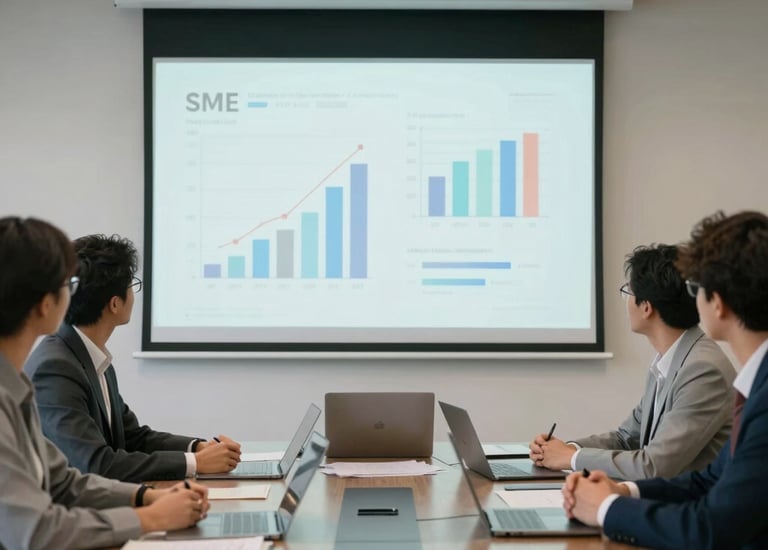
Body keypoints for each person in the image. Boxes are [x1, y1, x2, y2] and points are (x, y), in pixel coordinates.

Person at [0, 216, 211, 548]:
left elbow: (64, 482)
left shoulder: (15, 387)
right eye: (66, 285)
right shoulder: (45, 369)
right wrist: (150, 518)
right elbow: (37, 530)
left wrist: (145, 497)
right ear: (44, 304)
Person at [563, 211, 768, 548]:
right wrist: (622, 490)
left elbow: (710, 528)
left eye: (696, 287)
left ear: (718, 303)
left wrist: (606, 508)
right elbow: (709, 481)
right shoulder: (756, 383)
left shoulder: (745, 387)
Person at [25, 234, 241, 483]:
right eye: (132, 285)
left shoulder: (91, 357)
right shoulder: (55, 368)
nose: (134, 293)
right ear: (115, 304)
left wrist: (198, 448)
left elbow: (132, 437)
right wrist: (196, 464)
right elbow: (96, 464)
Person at [530, 244, 734, 480]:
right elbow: (626, 438)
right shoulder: (667, 361)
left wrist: (570, 458)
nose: (625, 301)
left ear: (646, 307)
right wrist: (568, 448)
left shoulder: (702, 370)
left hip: (689, 509)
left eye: (628, 291)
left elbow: (653, 466)